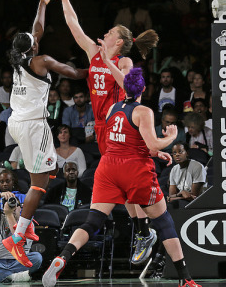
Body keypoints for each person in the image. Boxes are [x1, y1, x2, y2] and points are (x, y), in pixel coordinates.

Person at [42, 68, 200, 287]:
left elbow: (127, 140)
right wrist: (170, 138)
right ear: (143, 89)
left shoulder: (112, 108)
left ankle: (63, 257)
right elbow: (152, 143)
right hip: (133, 169)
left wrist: (153, 151)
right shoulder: (143, 111)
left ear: (125, 89)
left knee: (92, 221)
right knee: (164, 223)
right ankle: (187, 279)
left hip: (108, 167)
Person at [53, 0, 160, 265]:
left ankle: (144, 230)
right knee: (121, 184)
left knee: (125, 181)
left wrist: (110, 59)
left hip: (120, 124)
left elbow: (128, 85)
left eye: (111, 32)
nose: (106, 33)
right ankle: (142, 230)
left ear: (119, 40)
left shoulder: (124, 60)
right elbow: (73, 24)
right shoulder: (94, 52)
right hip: (100, 127)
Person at [2, 0, 87, 268]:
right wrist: (98, 68)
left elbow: (34, 32)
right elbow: (73, 73)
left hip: (17, 123)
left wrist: (41, 3)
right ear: (33, 48)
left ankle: (24, 224)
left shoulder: (19, 59)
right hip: (33, 127)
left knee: (48, 171)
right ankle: (17, 238)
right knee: (39, 185)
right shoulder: (42, 61)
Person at [0, 185, 43, 283]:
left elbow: (17, 240)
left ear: (21, 208)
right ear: (3, 207)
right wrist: (0, 194)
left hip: (18, 262)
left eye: (16, 205)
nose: (13, 208)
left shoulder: (27, 223)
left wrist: (9, 215)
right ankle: (13, 276)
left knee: (37, 257)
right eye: (10, 205)